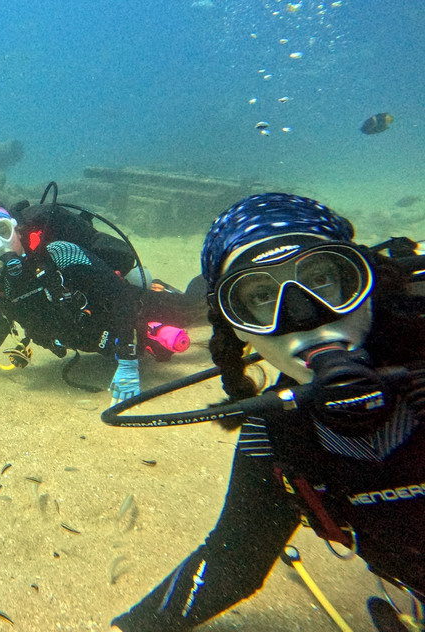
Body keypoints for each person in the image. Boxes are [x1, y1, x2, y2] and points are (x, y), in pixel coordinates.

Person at [111, 193, 425, 632]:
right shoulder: (279, 435)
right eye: (260, 297)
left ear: (364, 277)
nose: (303, 316)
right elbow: (231, 562)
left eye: (321, 277)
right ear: (235, 328)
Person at [0, 199, 201, 404]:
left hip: (134, 316)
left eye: (2, 232)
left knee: (199, 308)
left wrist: (128, 362)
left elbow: (123, 297)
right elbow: (2, 320)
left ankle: (226, 280)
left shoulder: (61, 252)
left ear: (15, 229)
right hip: (100, 342)